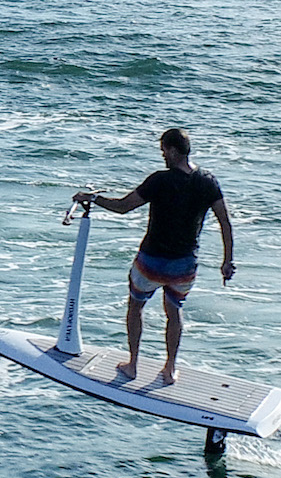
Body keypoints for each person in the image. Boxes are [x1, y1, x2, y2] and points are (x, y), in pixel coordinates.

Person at [73, 128, 235, 385]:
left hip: (152, 261)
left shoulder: (160, 180)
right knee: (174, 312)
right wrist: (227, 261)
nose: (163, 156)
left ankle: (132, 364)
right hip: (184, 266)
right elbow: (224, 222)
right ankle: (169, 369)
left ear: (172, 150)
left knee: (136, 307)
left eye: (163, 150)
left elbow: (123, 207)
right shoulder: (208, 181)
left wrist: (93, 198)